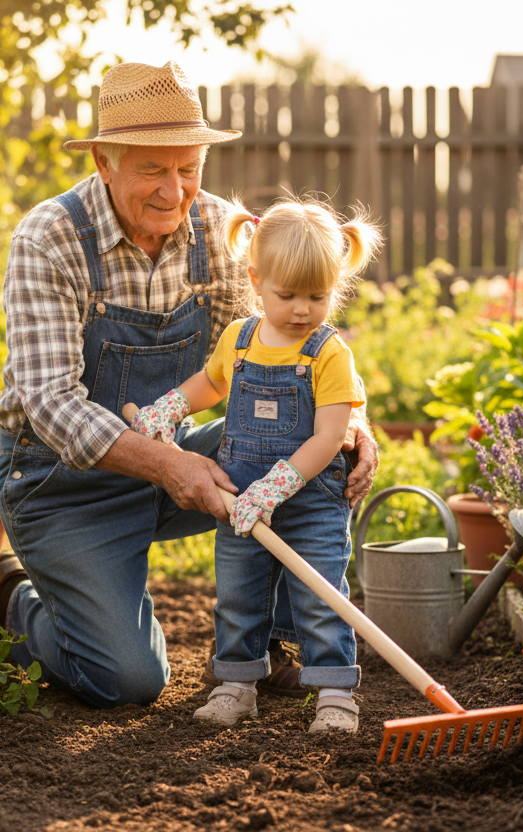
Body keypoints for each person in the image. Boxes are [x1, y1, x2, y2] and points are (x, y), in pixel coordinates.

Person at [0, 60, 379, 710]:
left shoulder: (219, 231)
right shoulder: (51, 238)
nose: (175, 192)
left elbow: (285, 345)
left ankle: (282, 645)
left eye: (188, 168)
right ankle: (10, 593)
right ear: (104, 161)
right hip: (64, 486)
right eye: (153, 169)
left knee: (313, 457)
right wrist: (170, 463)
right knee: (128, 680)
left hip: (175, 458)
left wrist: (350, 422)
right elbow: (50, 404)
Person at [131, 196, 381, 731]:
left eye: (318, 296)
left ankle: (336, 694)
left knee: (320, 596)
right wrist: (170, 407)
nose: (301, 309)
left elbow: (330, 435)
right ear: (256, 278)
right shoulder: (239, 340)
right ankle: (237, 685)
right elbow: (213, 382)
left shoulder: (329, 352)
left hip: (308, 498)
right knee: (239, 593)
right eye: (286, 294)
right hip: (243, 496)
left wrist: (279, 485)